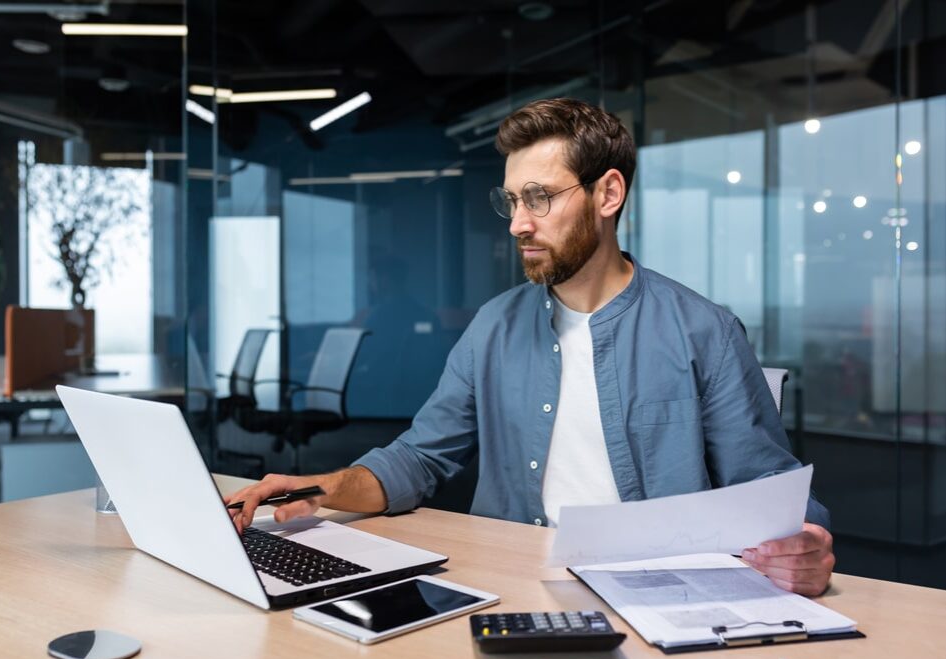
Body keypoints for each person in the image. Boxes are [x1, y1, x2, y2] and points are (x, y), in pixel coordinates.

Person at [226, 98, 835, 596]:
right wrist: (318, 487)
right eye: (513, 201)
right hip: (509, 581)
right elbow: (419, 458)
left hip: (658, 591)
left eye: (539, 198)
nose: (519, 223)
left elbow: (771, 490)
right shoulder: (493, 326)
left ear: (608, 194)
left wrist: (804, 543)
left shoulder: (704, 330)